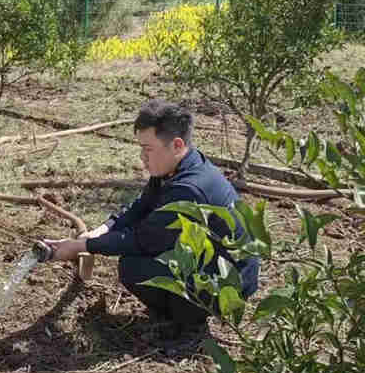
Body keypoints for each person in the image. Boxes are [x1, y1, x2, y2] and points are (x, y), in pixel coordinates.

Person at [43, 100, 260, 337]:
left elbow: (142, 240)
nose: (142, 157)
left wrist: (82, 246)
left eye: (148, 149)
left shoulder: (189, 188)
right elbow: (141, 206)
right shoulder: (179, 164)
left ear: (176, 145)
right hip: (213, 264)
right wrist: (101, 230)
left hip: (228, 285)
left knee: (134, 266)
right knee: (143, 257)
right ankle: (179, 310)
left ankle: (187, 325)